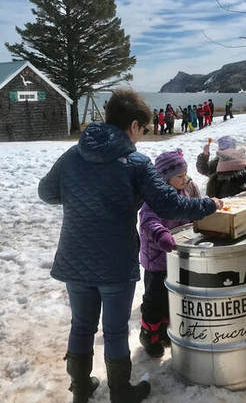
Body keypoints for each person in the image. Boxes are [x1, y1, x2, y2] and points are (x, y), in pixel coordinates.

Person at [38, 89, 222, 403]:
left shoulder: (72, 155)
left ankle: (81, 390)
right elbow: (168, 203)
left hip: (74, 256)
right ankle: (121, 391)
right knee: (114, 329)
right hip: (114, 262)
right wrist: (209, 205)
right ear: (134, 126)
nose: (141, 137)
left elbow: (46, 192)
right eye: (143, 130)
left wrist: (78, 197)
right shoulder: (135, 162)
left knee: (81, 325)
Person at [139, 149, 201, 357]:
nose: (185, 179)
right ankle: (149, 335)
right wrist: (161, 234)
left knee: (174, 297)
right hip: (157, 259)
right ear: (165, 178)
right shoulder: (155, 197)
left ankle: (168, 330)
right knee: (154, 299)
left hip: (178, 255)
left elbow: (196, 207)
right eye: (179, 177)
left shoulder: (189, 188)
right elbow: (148, 220)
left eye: (185, 175)